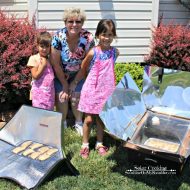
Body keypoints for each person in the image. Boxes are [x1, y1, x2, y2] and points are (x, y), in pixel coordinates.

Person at [69, 19, 119, 158]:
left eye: (110, 35)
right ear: (98, 35)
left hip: (106, 91)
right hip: (92, 90)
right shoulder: (93, 52)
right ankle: (85, 145)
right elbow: (83, 68)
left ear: (113, 36)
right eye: (104, 34)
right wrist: (76, 82)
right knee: (89, 119)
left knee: (101, 119)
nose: (107, 38)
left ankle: (99, 143)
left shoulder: (115, 53)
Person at [51, 7, 95, 135]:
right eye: (71, 21)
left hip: (79, 73)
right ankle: (63, 122)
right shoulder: (58, 37)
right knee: (62, 97)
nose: (74, 25)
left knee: (76, 97)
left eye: (78, 21)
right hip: (61, 73)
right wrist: (65, 84)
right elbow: (55, 63)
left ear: (82, 23)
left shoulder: (88, 38)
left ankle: (78, 123)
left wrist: (74, 83)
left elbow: (86, 64)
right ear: (65, 22)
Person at [27, 31, 55, 111]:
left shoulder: (50, 59)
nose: (44, 49)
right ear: (37, 46)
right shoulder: (34, 58)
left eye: (47, 46)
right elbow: (35, 76)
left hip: (49, 94)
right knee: (39, 115)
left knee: (48, 115)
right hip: (38, 95)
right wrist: (42, 66)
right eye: (42, 46)